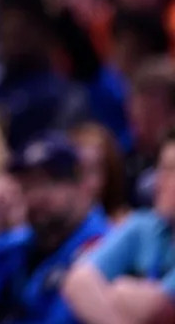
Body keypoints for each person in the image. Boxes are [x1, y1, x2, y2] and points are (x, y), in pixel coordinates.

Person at [0, 133, 109, 324]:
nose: (36, 196)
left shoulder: (105, 248)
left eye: (48, 183)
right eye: (27, 185)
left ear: (80, 186)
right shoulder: (10, 248)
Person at [62, 128, 175, 324]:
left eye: (171, 170)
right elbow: (77, 281)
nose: (157, 182)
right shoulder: (144, 226)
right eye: (159, 169)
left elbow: (155, 307)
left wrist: (117, 292)